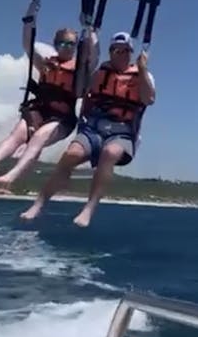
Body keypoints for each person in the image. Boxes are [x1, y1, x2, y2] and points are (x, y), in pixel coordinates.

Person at [20, 31, 156, 226]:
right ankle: (38, 204)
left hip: (123, 132)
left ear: (131, 53)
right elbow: (81, 93)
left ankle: (89, 209)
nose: (122, 54)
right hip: (94, 128)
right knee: (71, 155)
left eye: (126, 51)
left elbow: (149, 99)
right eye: (117, 50)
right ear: (111, 52)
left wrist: (142, 70)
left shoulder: (143, 75)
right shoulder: (99, 74)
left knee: (110, 153)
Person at [0, 0, 99, 192]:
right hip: (39, 110)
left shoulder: (80, 69)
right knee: (17, 135)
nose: (67, 47)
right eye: (63, 43)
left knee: (39, 137)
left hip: (62, 118)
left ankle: (10, 176)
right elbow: (28, 45)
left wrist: (90, 29)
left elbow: (95, 55)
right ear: (56, 44)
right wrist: (29, 17)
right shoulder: (46, 64)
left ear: (76, 46)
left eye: (71, 44)